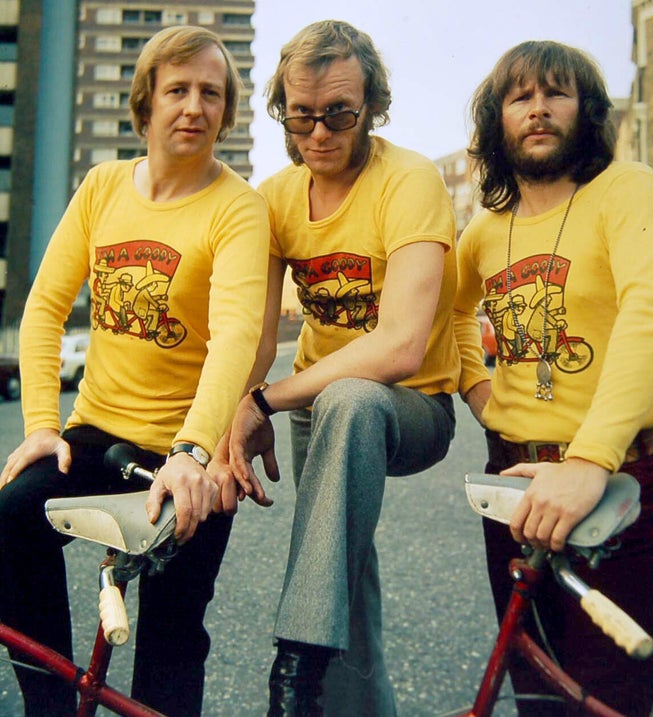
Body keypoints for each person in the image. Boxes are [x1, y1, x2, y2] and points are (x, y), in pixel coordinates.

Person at [0, 25, 270, 717]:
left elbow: (236, 333)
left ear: (226, 112)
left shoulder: (239, 207)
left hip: (186, 449)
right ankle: (50, 704)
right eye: (177, 90)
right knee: (9, 517)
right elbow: (44, 309)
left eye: (211, 93)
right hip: (95, 435)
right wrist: (39, 425)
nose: (193, 106)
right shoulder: (102, 187)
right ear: (145, 103)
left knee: (175, 634)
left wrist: (193, 449)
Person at [210, 19, 460, 717]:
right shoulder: (275, 197)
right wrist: (234, 409)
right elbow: (257, 339)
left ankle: (291, 670)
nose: (318, 133)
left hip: (410, 408)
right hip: (315, 404)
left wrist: (269, 399)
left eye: (340, 114)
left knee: (352, 395)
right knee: (341, 577)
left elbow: (402, 345)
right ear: (283, 111)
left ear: (371, 107)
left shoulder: (408, 179)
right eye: (302, 115)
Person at [453, 41, 653, 716]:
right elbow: (447, 319)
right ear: (497, 118)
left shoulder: (626, 187)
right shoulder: (483, 230)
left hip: (611, 475)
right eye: (520, 97)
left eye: (557, 93)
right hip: (513, 480)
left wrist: (587, 457)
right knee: (533, 681)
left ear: (586, 108)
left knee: (605, 694)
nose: (538, 109)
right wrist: (479, 391)